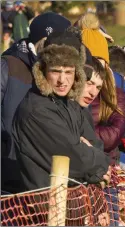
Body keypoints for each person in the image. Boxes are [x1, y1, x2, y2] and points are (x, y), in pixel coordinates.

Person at [11, 34, 111, 192]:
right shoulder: (36, 110)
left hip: (73, 203)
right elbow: (75, 158)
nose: (62, 80)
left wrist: (92, 156)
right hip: (45, 208)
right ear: (43, 71)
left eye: (69, 72)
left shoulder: (70, 103)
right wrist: (99, 164)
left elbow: (95, 144)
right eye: (56, 71)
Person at [1, 12, 71, 193]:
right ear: (43, 39)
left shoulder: (58, 75)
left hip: (43, 179)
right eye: (55, 43)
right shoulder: (9, 66)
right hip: (7, 176)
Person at [79, 14, 125, 163]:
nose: (96, 68)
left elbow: (113, 135)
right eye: (91, 62)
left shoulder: (116, 94)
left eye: (100, 62)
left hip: (106, 162)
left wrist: (76, 137)